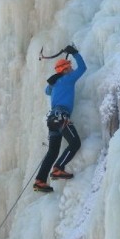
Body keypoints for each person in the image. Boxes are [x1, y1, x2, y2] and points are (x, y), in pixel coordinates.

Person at [33, 44, 87, 193]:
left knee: (52, 151)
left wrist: (55, 79)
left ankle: (40, 181)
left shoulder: (55, 84)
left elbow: (47, 90)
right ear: (65, 70)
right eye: (69, 67)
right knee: (75, 142)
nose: (71, 69)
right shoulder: (68, 79)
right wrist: (75, 53)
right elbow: (82, 68)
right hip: (61, 116)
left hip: (52, 120)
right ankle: (58, 168)